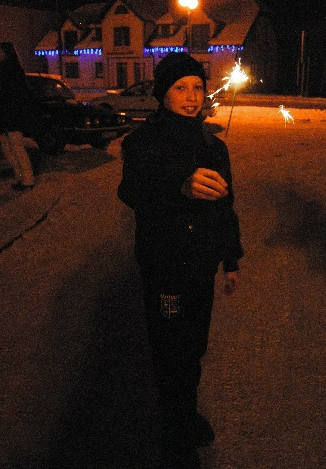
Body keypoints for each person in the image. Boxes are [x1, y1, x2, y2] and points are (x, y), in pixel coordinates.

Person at [118, 52, 243, 469]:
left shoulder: (214, 146)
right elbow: (131, 190)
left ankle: (184, 415)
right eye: (180, 88)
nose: (191, 97)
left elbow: (225, 206)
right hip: (165, 270)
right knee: (170, 352)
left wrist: (231, 259)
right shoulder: (143, 143)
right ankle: (174, 439)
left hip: (200, 267)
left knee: (193, 347)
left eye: (197, 88)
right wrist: (179, 186)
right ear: (163, 94)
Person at [0, 41, 35, 190]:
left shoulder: (10, 70)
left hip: (11, 115)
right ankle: (20, 176)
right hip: (8, 115)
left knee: (16, 147)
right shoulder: (9, 69)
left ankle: (27, 179)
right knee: (8, 147)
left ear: (6, 53)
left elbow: (11, 95)